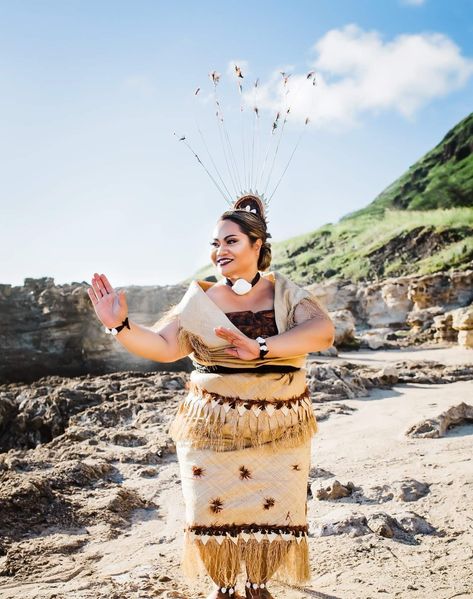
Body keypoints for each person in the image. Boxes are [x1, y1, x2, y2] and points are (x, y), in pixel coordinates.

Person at [87, 197, 335, 599]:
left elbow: (322, 332)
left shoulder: (287, 293)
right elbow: (165, 346)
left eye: (231, 241)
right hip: (212, 423)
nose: (220, 251)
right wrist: (120, 326)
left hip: (280, 422)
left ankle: (257, 584)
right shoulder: (199, 299)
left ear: (257, 246)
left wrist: (262, 348)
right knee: (209, 505)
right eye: (215, 243)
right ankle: (223, 585)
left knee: (273, 504)